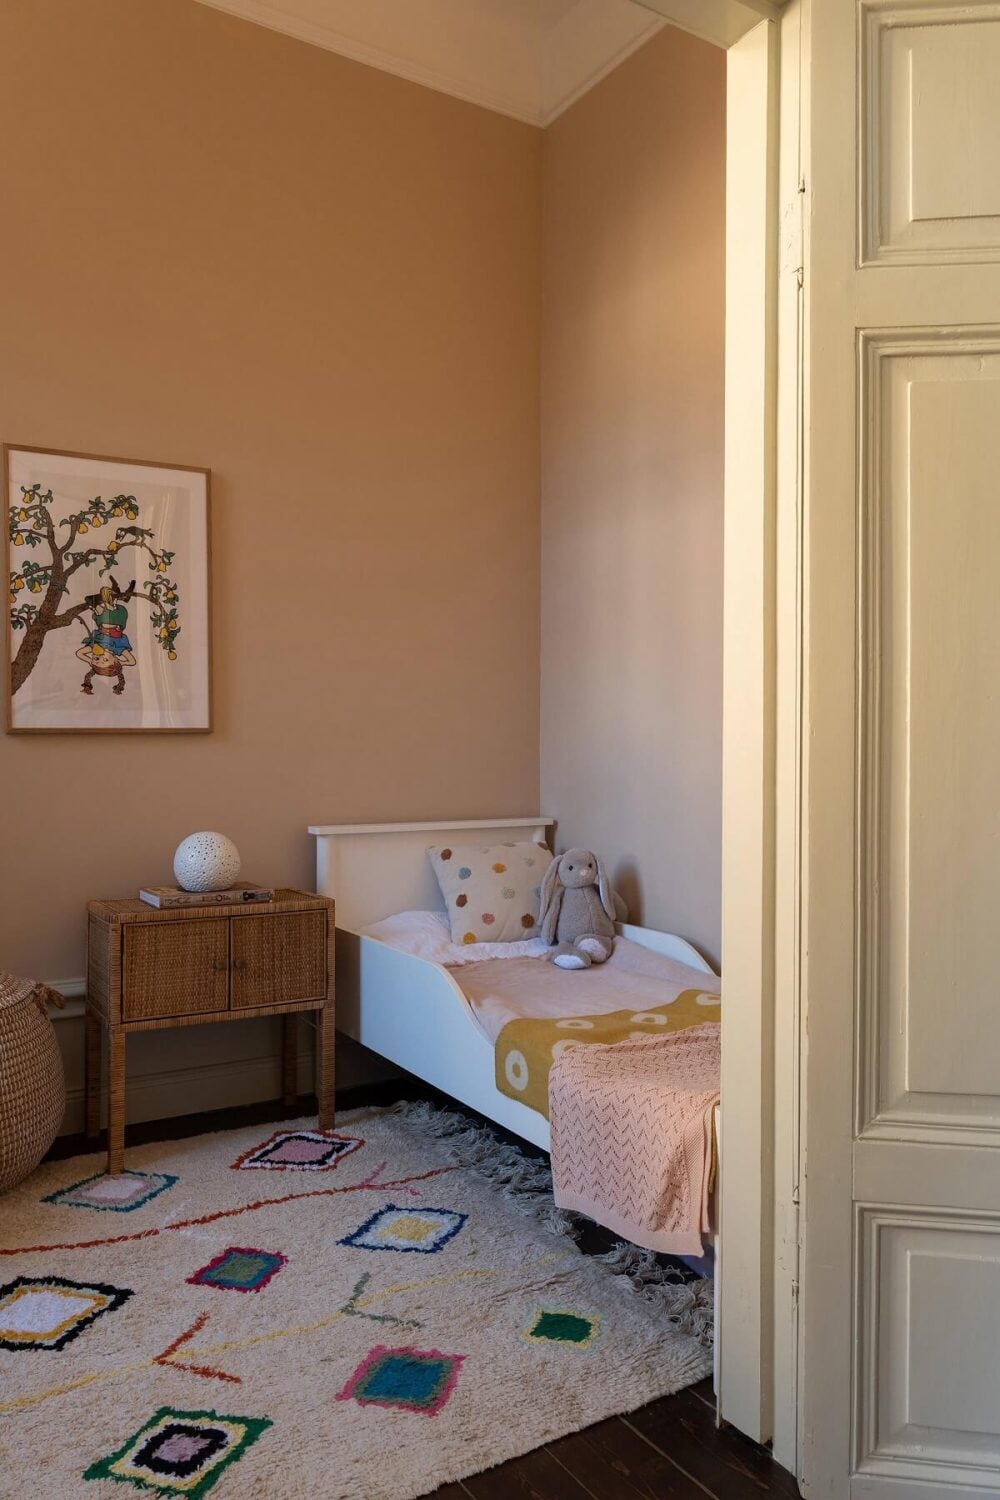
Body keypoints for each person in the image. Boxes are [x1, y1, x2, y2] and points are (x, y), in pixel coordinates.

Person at [76, 585, 136, 695]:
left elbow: (79, 653)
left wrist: (90, 661)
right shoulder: (118, 648)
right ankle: (116, 597)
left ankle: (114, 596)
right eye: (106, 661)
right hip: (117, 621)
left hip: (103, 628)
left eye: (97, 660)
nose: (101, 658)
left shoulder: (97, 646)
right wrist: (122, 662)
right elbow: (132, 661)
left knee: (98, 601)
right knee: (108, 603)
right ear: (115, 660)